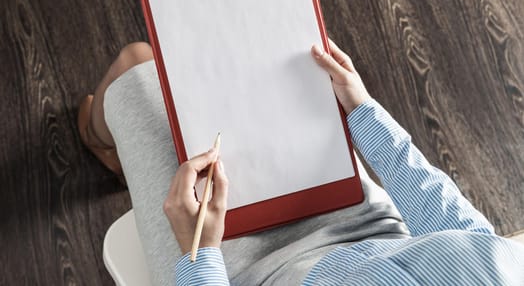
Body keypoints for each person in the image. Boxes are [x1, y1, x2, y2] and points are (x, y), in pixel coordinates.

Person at [78, 40, 524, 285]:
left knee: (135, 64)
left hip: (239, 272)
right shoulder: (505, 274)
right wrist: (363, 111)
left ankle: (100, 141)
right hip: (364, 228)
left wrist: (200, 252)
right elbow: (462, 231)